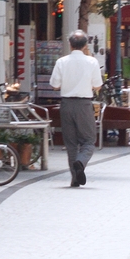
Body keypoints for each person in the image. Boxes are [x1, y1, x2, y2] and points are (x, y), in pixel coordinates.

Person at [48, 31, 105, 187]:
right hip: (84, 104)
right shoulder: (92, 62)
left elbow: (54, 85)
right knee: (88, 141)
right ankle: (81, 162)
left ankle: (75, 178)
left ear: (70, 44)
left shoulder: (62, 61)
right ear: (86, 45)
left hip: (66, 104)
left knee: (71, 143)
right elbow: (98, 85)